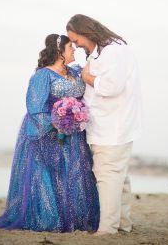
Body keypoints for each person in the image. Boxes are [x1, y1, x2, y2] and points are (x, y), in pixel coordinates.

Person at [0, 34, 99, 232]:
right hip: (47, 133)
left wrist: (75, 118)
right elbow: (35, 107)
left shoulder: (76, 72)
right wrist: (57, 123)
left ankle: (77, 219)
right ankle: (48, 219)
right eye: (70, 47)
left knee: (75, 173)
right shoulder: (43, 75)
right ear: (60, 52)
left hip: (74, 134)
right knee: (48, 175)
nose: (74, 50)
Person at [66, 14, 143, 235]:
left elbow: (111, 87)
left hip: (113, 127)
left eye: (76, 39)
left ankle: (108, 229)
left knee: (107, 175)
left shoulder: (114, 51)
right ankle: (122, 224)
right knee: (119, 178)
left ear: (86, 32)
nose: (76, 45)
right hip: (106, 125)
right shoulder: (101, 51)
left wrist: (87, 77)